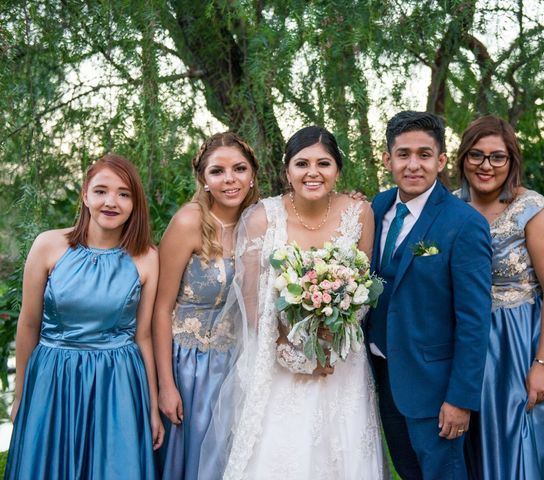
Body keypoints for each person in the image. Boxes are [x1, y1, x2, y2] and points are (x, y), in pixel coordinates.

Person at [213, 125, 386, 479]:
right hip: (280, 359)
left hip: (342, 360)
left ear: (338, 169)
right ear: (287, 170)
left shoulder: (359, 213)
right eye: (302, 163)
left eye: (324, 163)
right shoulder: (263, 217)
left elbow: (364, 289)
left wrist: (330, 339)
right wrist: (295, 352)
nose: (313, 172)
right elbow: (251, 306)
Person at [5, 154, 162, 479]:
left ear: (135, 203)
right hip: (53, 376)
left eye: (124, 193)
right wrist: (22, 394)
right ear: (85, 194)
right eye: (101, 190)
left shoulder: (146, 256)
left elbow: (142, 335)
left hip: (117, 381)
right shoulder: (49, 245)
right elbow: (29, 324)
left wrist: (152, 404)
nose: (111, 202)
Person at [366, 110, 493, 479]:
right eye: (403, 154)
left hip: (435, 388)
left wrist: (460, 399)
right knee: (407, 471)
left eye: (424, 155)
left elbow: (474, 320)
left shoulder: (465, 223)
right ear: (388, 160)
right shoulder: (376, 208)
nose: (413, 165)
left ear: (440, 161)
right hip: (383, 377)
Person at [455, 115, 544, 479]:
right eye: (476, 155)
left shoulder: (532, 210)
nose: (485, 166)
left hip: (517, 344)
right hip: (463, 340)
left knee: (520, 444)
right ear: (462, 159)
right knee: (467, 444)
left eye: (497, 157)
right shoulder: (450, 206)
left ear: (511, 161)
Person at [153, 132, 259, 479]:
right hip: (189, 367)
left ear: (253, 174)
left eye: (239, 168)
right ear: (204, 179)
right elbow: (160, 308)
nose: (230, 179)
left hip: (238, 364)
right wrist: (166, 386)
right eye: (218, 171)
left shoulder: (261, 222)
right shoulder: (189, 222)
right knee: (193, 460)